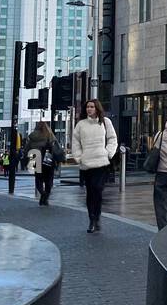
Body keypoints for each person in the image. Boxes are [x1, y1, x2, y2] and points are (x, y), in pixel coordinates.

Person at [71, 99, 118, 233]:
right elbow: (75, 142)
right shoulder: (81, 125)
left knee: (97, 189)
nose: (89, 109)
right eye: (87, 107)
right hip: (87, 163)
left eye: (92, 107)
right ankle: (92, 219)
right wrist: (79, 157)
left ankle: (97, 216)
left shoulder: (105, 122)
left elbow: (112, 138)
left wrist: (108, 153)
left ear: (97, 108)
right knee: (90, 192)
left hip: (101, 163)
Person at [27, 120, 62, 206]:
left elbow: (27, 148)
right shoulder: (50, 135)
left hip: (35, 158)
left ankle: (42, 194)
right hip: (48, 159)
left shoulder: (32, 136)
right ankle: (45, 197)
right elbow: (57, 148)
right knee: (48, 181)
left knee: (38, 179)